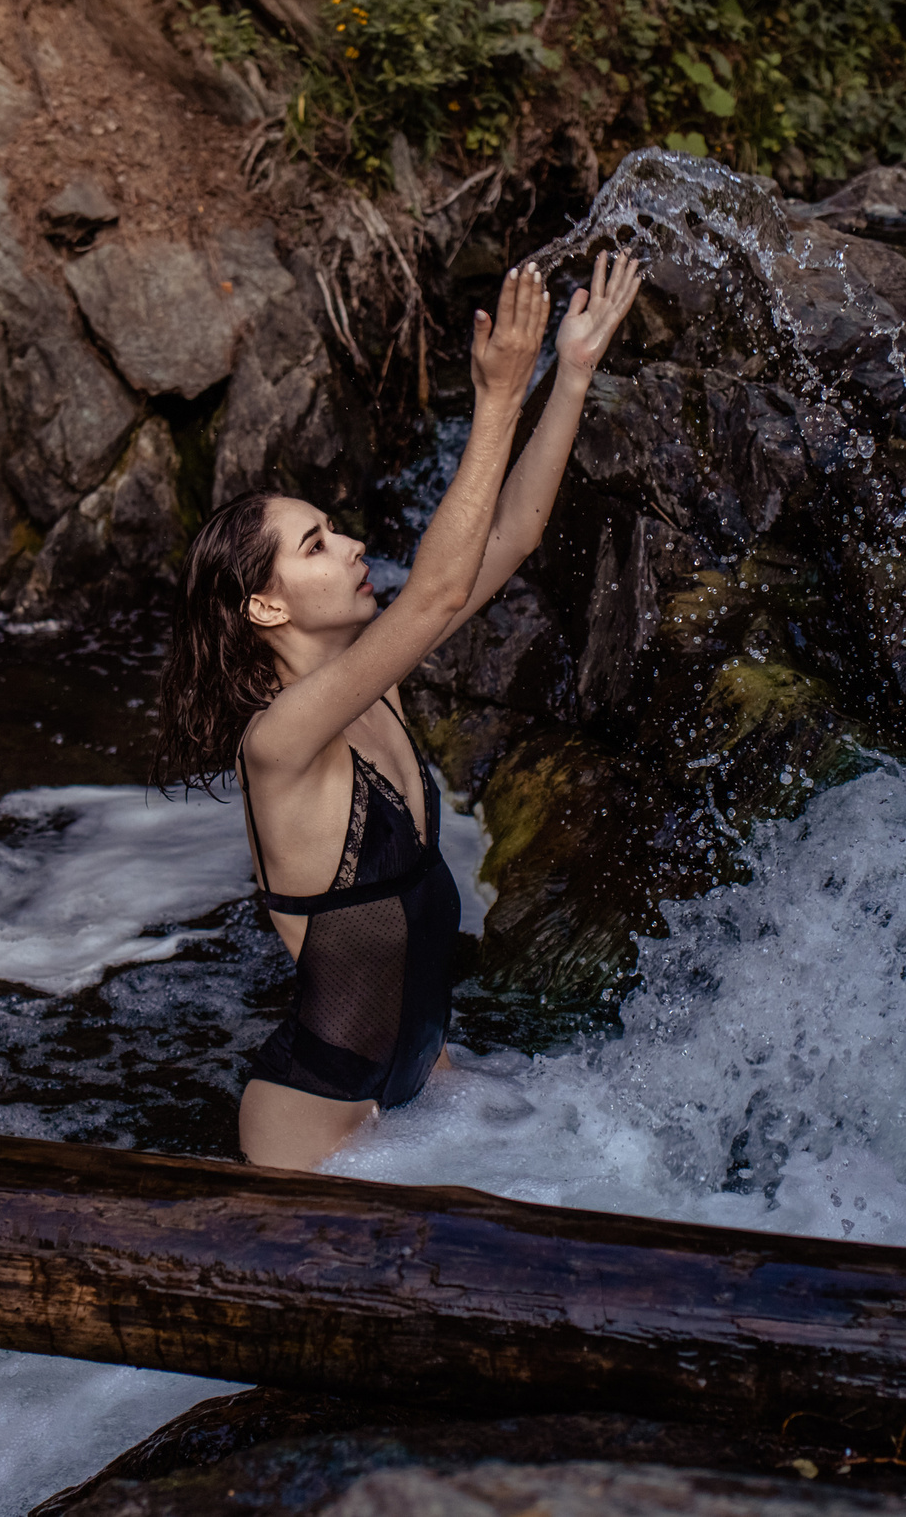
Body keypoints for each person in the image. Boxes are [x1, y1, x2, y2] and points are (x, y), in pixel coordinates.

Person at [153, 251, 644, 1171]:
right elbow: (436, 589)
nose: (349, 546)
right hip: (321, 1133)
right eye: (315, 543)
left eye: (333, 531)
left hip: (424, 1091)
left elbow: (514, 534)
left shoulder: (377, 680)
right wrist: (495, 399)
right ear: (266, 606)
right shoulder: (279, 741)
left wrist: (569, 373)